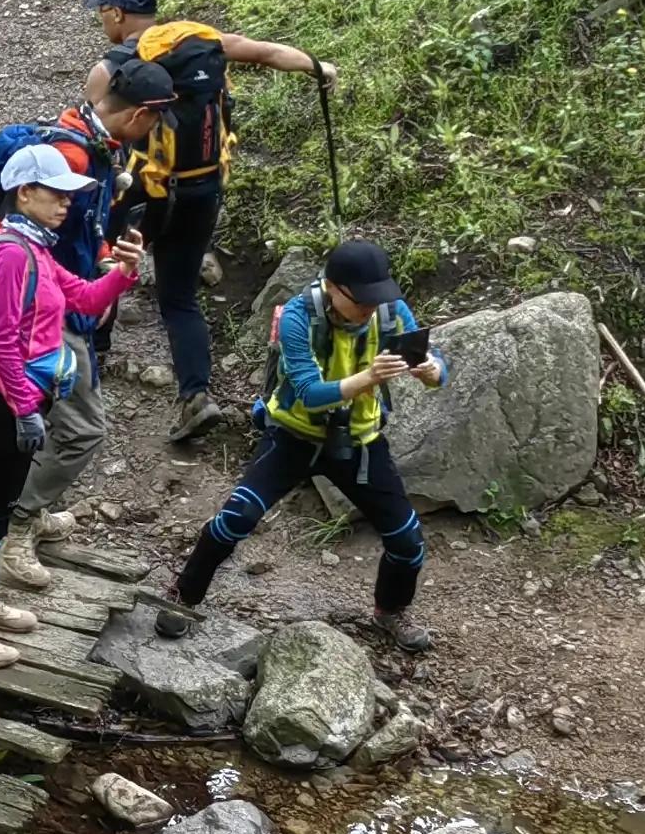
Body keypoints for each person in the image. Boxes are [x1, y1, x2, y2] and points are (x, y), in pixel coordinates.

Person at [89, 0, 338, 446]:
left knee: (102, 255)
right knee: (179, 298)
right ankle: (195, 395)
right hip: (203, 189)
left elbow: (93, 137)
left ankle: (94, 348)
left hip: (141, 186)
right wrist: (316, 65)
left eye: (102, 12)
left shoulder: (114, 67)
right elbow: (265, 52)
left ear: (116, 14)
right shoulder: (201, 42)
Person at [168, 238, 445, 658]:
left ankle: (391, 611)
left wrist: (430, 369)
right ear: (334, 288)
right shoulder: (300, 315)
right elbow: (310, 393)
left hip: (361, 441)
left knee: (407, 541)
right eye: (361, 300)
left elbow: (439, 368)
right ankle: (183, 595)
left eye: (377, 298)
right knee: (236, 519)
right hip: (293, 437)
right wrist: (369, 376)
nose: (370, 309)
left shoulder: (388, 310)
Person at [0, 149, 138, 661]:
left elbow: (87, 300)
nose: (66, 203)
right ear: (24, 193)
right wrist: (25, 408)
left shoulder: (37, 251)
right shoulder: (9, 254)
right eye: (55, 193)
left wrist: (123, 273)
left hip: (22, 403)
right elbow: (2, 340)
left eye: (69, 195)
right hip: (6, 405)